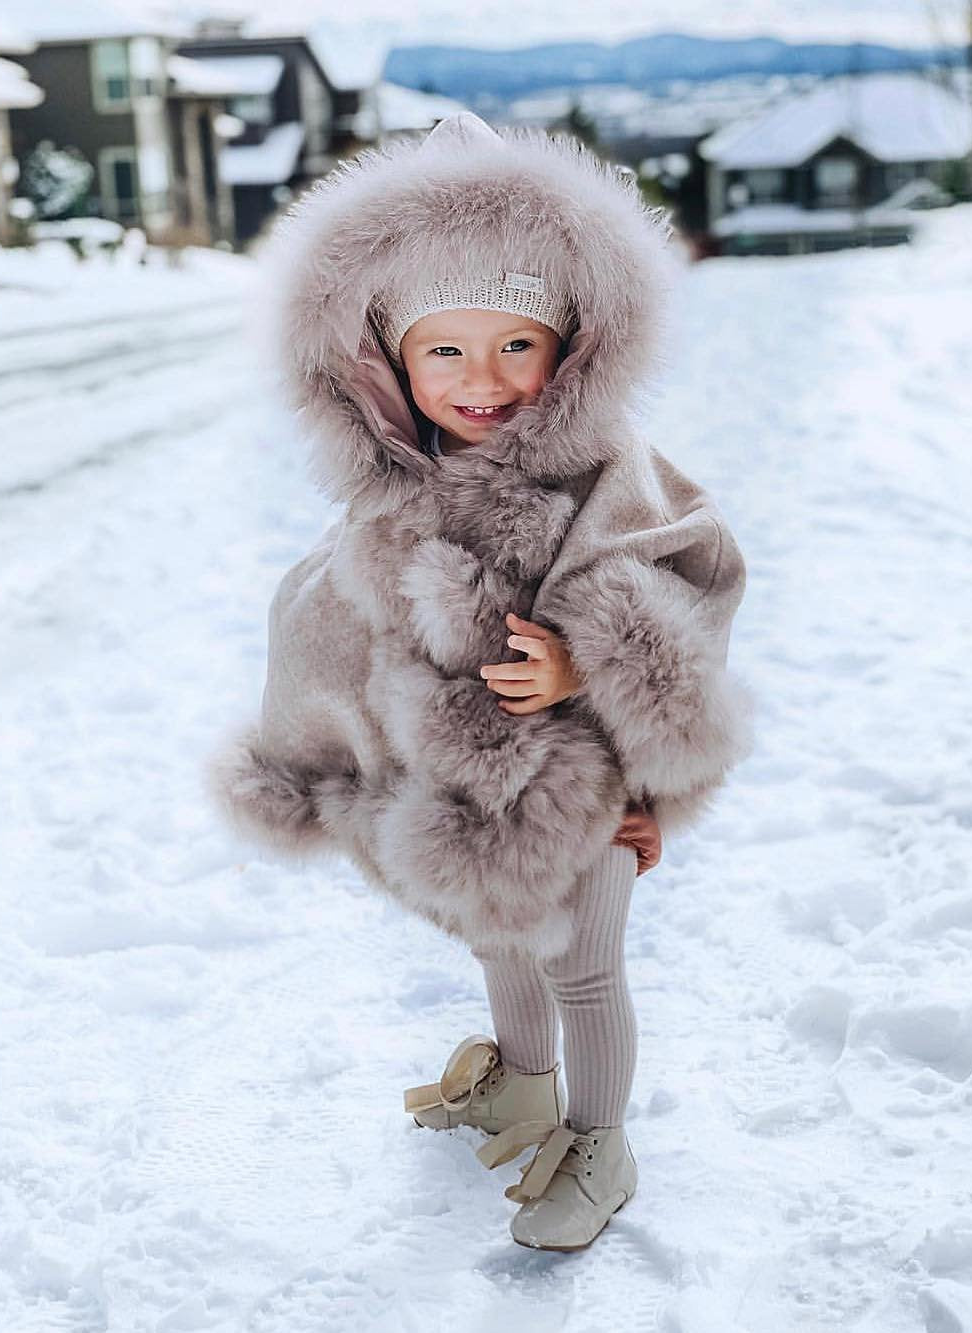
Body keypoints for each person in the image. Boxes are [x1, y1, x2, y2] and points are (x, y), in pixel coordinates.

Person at [209, 111, 752, 1251]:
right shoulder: (392, 493)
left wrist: (597, 679)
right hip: (461, 789)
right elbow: (329, 627)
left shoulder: (607, 474)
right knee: (497, 935)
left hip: (587, 783)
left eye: (516, 345)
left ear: (573, 347)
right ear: (388, 365)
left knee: (586, 967)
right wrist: (333, 757)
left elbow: (696, 585)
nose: (485, 380)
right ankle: (523, 1081)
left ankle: (601, 1142)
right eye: (445, 352)